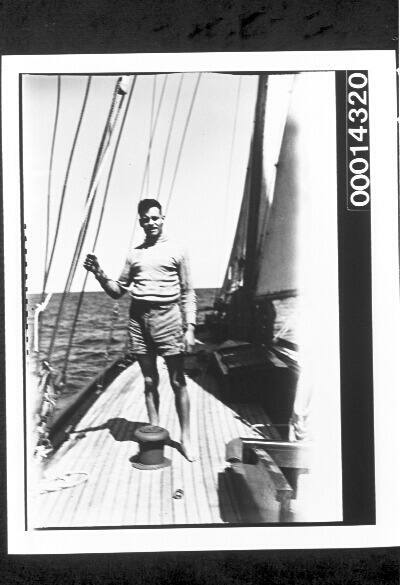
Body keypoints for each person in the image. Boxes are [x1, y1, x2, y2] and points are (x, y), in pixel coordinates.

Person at [83, 198, 197, 461]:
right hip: (138, 320)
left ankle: (187, 438)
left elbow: (189, 292)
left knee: (178, 381)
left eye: (155, 218)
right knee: (149, 380)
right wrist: (99, 273)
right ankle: (155, 429)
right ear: (141, 222)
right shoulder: (134, 254)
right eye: (146, 219)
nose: (151, 223)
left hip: (169, 319)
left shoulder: (177, 250)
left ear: (162, 218)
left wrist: (190, 327)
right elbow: (117, 292)